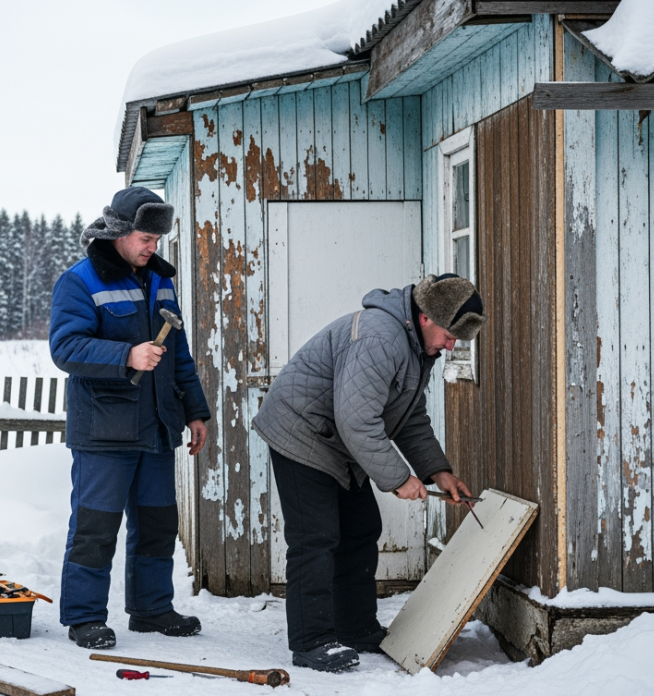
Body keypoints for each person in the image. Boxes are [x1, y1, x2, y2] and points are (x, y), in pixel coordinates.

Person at [251, 273, 487, 672]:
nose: (451, 347)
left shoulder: (416, 346)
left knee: (360, 529)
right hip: (301, 432)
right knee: (316, 537)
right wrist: (398, 478)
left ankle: (355, 627)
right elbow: (357, 420)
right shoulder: (381, 339)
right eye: (449, 336)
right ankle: (312, 641)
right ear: (427, 317)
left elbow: (408, 415)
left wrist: (437, 471)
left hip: (337, 440)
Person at [49, 186, 212, 650]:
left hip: (158, 427)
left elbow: (177, 352)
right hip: (103, 431)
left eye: (157, 240)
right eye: (145, 238)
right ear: (119, 232)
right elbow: (66, 348)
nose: (152, 247)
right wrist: (127, 355)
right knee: (95, 527)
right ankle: (83, 617)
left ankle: (151, 608)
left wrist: (195, 411)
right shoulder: (80, 281)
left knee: (158, 524)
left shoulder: (161, 280)